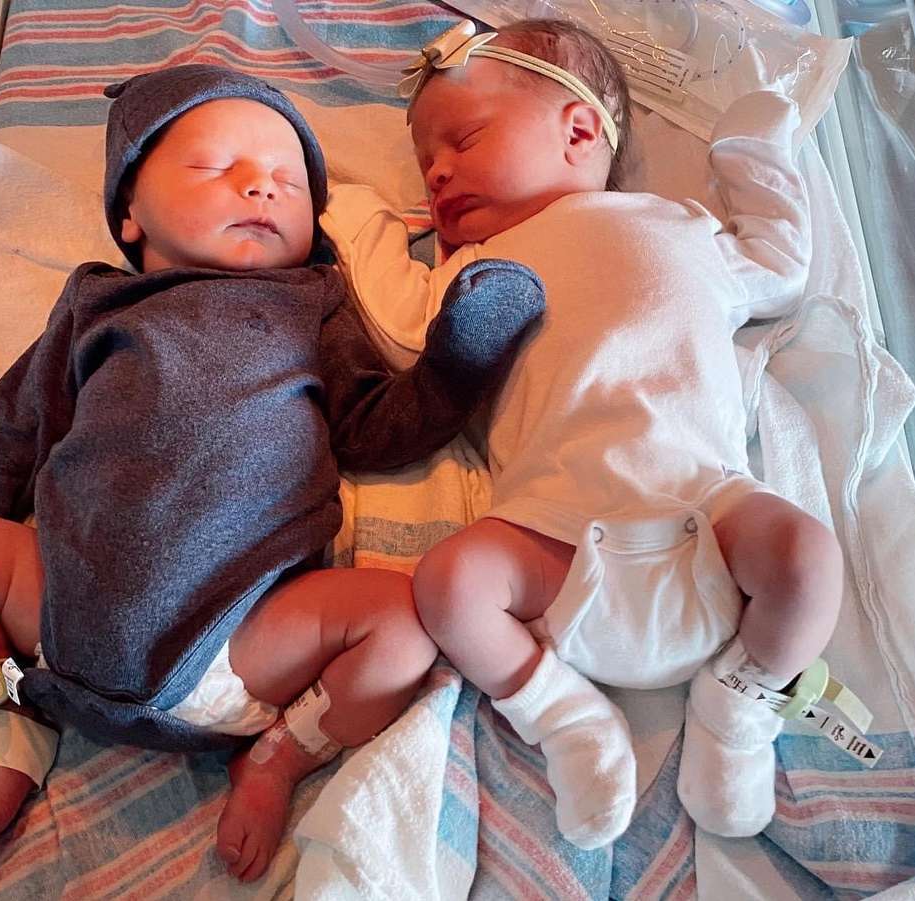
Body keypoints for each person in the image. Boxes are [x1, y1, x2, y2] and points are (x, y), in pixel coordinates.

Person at [0, 64, 544, 882]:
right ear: (128, 211)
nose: (260, 186)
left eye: (287, 180)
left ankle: (280, 757)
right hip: (58, 615)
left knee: (400, 624)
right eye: (213, 167)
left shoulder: (313, 305)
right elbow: (13, 429)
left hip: (243, 636)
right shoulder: (96, 307)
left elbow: (377, 426)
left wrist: (462, 356)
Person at [321, 19, 844, 849]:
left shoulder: (678, 223)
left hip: (705, 508)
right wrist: (355, 215)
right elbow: (400, 323)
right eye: (426, 165)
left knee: (809, 560)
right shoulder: (471, 271)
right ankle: (562, 716)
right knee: (450, 584)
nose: (438, 173)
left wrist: (755, 140)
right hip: (551, 533)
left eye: (461, 139)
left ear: (578, 130)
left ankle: (739, 707)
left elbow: (781, 264)